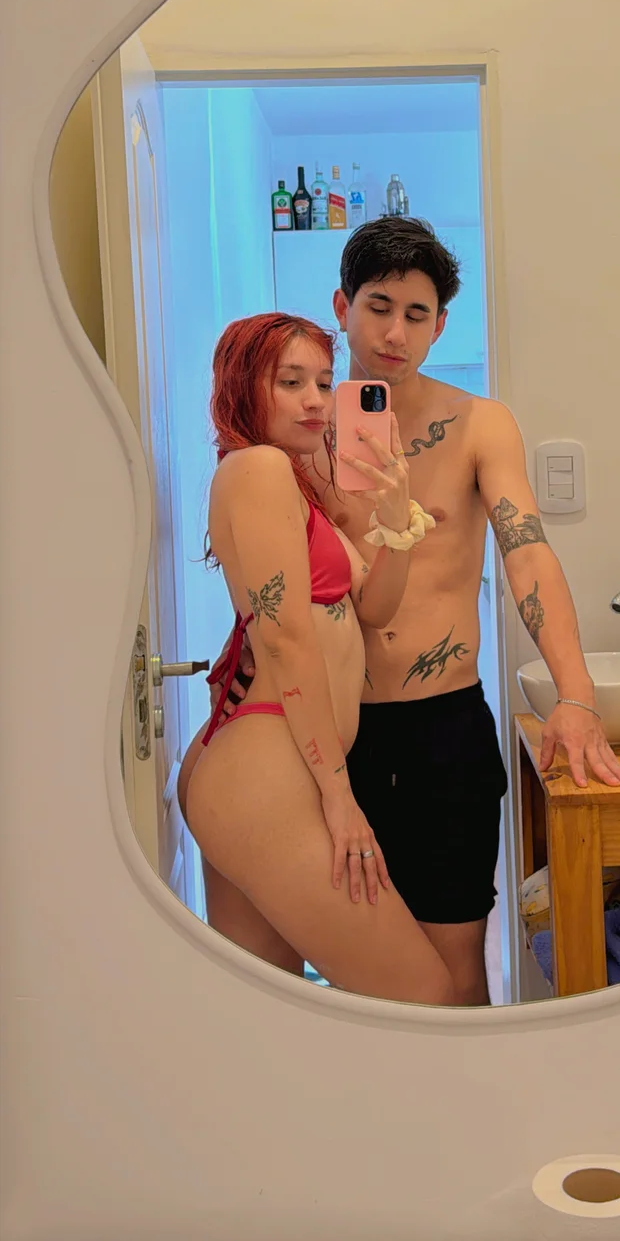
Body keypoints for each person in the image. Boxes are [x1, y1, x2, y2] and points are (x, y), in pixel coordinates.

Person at [216, 219, 620, 1005]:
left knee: (454, 977)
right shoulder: (298, 434)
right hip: (327, 737)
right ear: (342, 307)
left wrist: (575, 694)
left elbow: (526, 552)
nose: (395, 333)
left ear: (441, 324)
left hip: (442, 729)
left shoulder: (479, 424)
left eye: (417, 314)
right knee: (334, 988)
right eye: (378, 307)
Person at [177, 311, 455, 1005]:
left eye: (324, 383)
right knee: (425, 995)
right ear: (244, 386)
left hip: (261, 765)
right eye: (290, 381)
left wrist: (397, 517)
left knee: (274, 1012)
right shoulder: (259, 467)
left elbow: (374, 607)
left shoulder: (296, 483)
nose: (314, 400)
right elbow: (285, 639)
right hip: (269, 770)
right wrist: (340, 796)